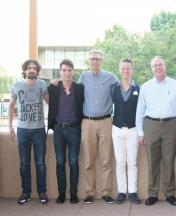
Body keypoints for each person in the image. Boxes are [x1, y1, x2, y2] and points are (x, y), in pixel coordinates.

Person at [136, 56, 176, 206]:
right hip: (151, 125)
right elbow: (140, 111)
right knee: (152, 161)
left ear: (165, 67)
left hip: (171, 125)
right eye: (155, 65)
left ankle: (170, 193)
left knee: (169, 161)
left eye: (160, 65)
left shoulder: (175, 85)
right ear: (151, 68)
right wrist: (140, 132)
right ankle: (152, 194)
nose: (158, 68)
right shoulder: (145, 87)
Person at [79, 50, 118, 204]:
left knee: (106, 159)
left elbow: (125, 89)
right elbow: (73, 91)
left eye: (97, 59)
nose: (95, 62)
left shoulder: (111, 77)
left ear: (102, 61)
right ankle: (89, 193)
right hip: (87, 122)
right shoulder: (83, 77)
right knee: (88, 160)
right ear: (89, 61)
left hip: (106, 122)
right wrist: (56, 83)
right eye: (92, 59)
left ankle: (106, 192)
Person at [8, 59, 49, 205]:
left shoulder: (42, 84)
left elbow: (51, 101)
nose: (32, 70)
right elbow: (11, 105)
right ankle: (26, 192)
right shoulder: (17, 85)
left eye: (34, 68)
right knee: (24, 163)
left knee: (40, 163)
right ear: (25, 70)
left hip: (39, 129)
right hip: (23, 130)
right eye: (29, 68)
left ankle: (42, 192)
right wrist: (10, 127)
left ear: (37, 71)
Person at [47, 59, 84, 204]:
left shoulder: (80, 89)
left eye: (69, 70)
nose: (67, 73)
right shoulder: (53, 88)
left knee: (74, 162)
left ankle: (73, 193)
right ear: (60, 72)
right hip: (58, 129)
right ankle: (61, 193)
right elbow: (40, 93)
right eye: (64, 70)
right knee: (60, 161)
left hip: (74, 128)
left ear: (73, 71)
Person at [111, 58, 141, 204]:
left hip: (133, 129)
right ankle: (122, 191)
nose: (125, 71)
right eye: (123, 68)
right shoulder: (114, 88)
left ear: (132, 70)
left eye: (128, 68)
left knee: (132, 162)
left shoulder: (138, 89)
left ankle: (133, 192)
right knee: (120, 162)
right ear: (119, 70)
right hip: (117, 129)